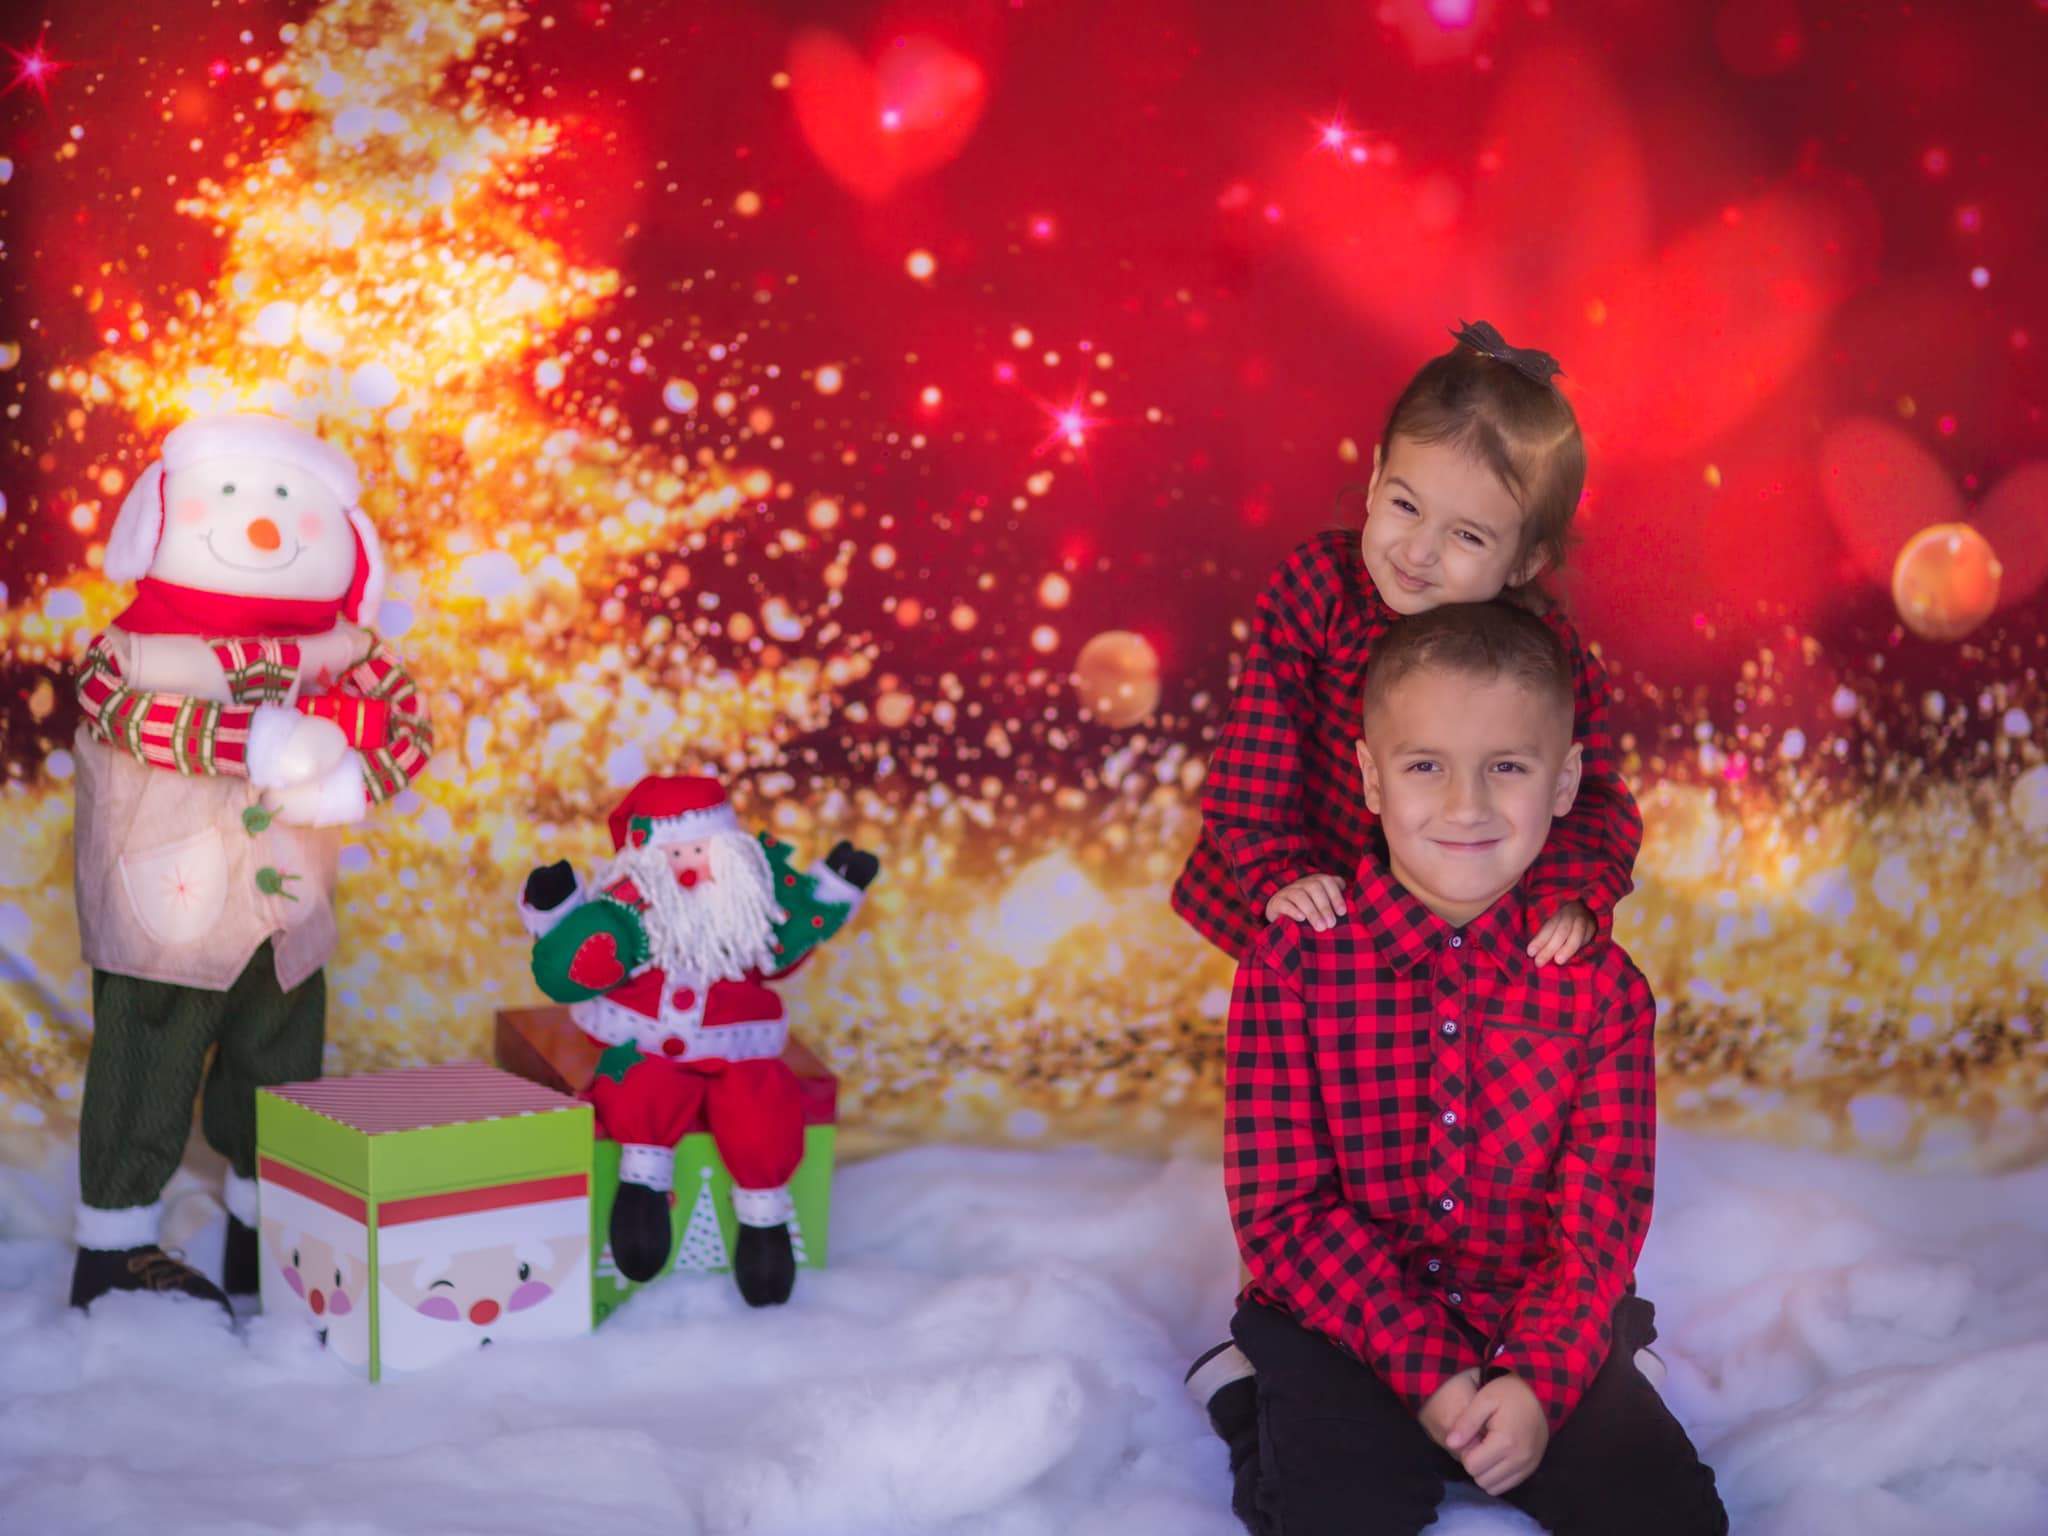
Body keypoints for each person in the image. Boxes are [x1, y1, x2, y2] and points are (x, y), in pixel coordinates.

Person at [1175, 321, 1644, 1484]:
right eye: (1401, 506)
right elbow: (1254, 756)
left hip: (1473, 905)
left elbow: (1593, 794)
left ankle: (1486, 1320)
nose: (1418, 554)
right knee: (1328, 1099)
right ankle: (1308, 1343)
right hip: (1323, 892)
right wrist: (1276, 876)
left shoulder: (1543, 652)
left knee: (1471, 1094)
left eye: (1466, 535)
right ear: (1374, 472)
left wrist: (1574, 891)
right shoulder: (1316, 589)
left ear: (1525, 561)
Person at [1223, 602, 1726, 1535]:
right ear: (1370, 778)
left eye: (1507, 767)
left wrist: (1538, 1380)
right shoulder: (1292, 963)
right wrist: (1431, 1376)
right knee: (1335, 1517)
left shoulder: (1602, 988)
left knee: (1671, 1521)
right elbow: (1283, 1212)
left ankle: (1587, 1380)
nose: (1466, 805)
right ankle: (1242, 1395)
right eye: (1426, 766)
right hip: (1347, 1317)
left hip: (1526, 1311)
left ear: (1564, 781)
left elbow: (1601, 1218)